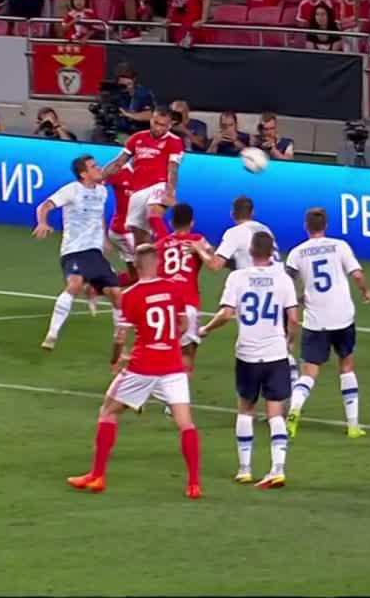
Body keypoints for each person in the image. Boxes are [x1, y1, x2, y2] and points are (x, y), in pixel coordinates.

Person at [66, 244, 202, 499]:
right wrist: (169, 340)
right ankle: (194, 483)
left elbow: (120, 337)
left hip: (143, 366)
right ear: (158, 263)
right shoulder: (174, 289)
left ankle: (97, 476)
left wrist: (116, 359)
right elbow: (183, 324)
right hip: (173, 365)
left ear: (137, 267)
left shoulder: (132, 295)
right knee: (185, 423)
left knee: (107, 411)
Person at [198, 231, 299, 489]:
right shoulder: (283, 279)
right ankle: (278, 468)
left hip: (247, 354)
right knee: (275, 412)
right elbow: (294, 318)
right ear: (272, 252)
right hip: (276, 353)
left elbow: (226, 314)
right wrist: (290, 343)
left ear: (251, 252)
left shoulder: (238, 277)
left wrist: (206, 329)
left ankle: (245, 469)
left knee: (245, 409)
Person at [284, 207, 370, 439]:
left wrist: (296, 301)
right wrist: (365, 291)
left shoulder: (297, 252)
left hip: (316, 320)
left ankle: (294, 410)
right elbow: (356, 274)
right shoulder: (339, 246)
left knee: (309, 373)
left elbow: (286, 282)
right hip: (342, 316)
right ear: (326, 225)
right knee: (346, 367)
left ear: (306, 227)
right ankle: (353, 425)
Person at [33, 154, 123, 350]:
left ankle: (119, 340)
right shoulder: (71, 190)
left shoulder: (101, 192)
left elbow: (99, 216)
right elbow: (45, 205)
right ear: (83, 174)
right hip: (73, 250)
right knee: (74, 285)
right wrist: (42, 222)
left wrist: (104, 239)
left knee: (117, 294)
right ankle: (52, 334)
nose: (98, 168)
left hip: (94, 251)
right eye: (93, 167)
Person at [100, 107, 184, 245]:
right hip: (138, 191)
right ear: (151, 120)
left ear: (170, 126)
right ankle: (149, 265)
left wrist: (170, 192)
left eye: (162, 125)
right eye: (155, 122)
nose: (157, 127)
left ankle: (168, 246)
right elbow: (119, 162)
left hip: (159, 184)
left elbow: (173, 169)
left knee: (153, 215)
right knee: (140, 241)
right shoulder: (137, 138)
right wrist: (99, 177)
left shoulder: (174, 142)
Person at [154, 202, 212, 370]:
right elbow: (214, 259)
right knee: (186, 353)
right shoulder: (197, 240)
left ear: (171, 223)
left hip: (163, 303)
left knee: (162, 350)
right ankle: (181, 392)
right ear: (192, 222)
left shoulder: (160, 244)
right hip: (188, 304)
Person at [208, 195, 278, 271]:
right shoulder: (265, 229)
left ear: (232, 214)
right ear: (252, 212)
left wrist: (200, 249)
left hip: (253, 280)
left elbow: (215, 265)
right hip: (277, 277)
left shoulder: (235, 232)